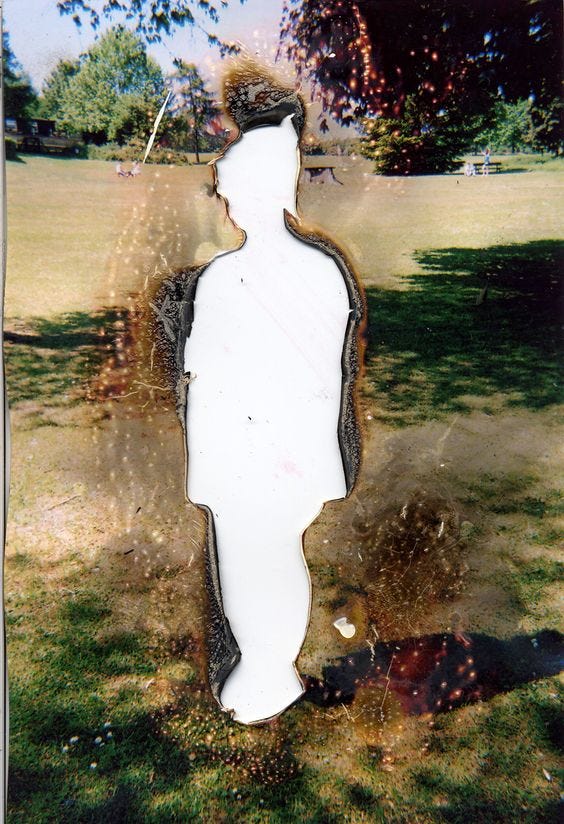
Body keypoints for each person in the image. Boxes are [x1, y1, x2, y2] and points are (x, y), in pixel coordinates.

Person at [153, 71, 364, 724]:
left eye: (231, 193)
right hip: (273, 449)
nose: (226, 205)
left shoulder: (232, 277)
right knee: (268, 556)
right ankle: (267, 669)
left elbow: (212, 366)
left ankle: (269, 673)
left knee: (252, 559)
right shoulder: (310, 271)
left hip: (259, 451)